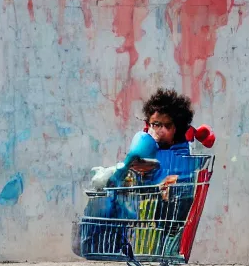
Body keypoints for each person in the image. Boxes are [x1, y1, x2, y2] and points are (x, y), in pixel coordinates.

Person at [80, 88, 204, 257]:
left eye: (166, 125)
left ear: (178, 127)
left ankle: (103, 247)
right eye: (155, 124)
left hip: (165, 217)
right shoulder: (148, 148)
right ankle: (96, 244)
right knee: (107, 201)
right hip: (140, 215)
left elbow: (176, 177)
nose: (160, 130)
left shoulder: (181, 153)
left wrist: (152, 175)